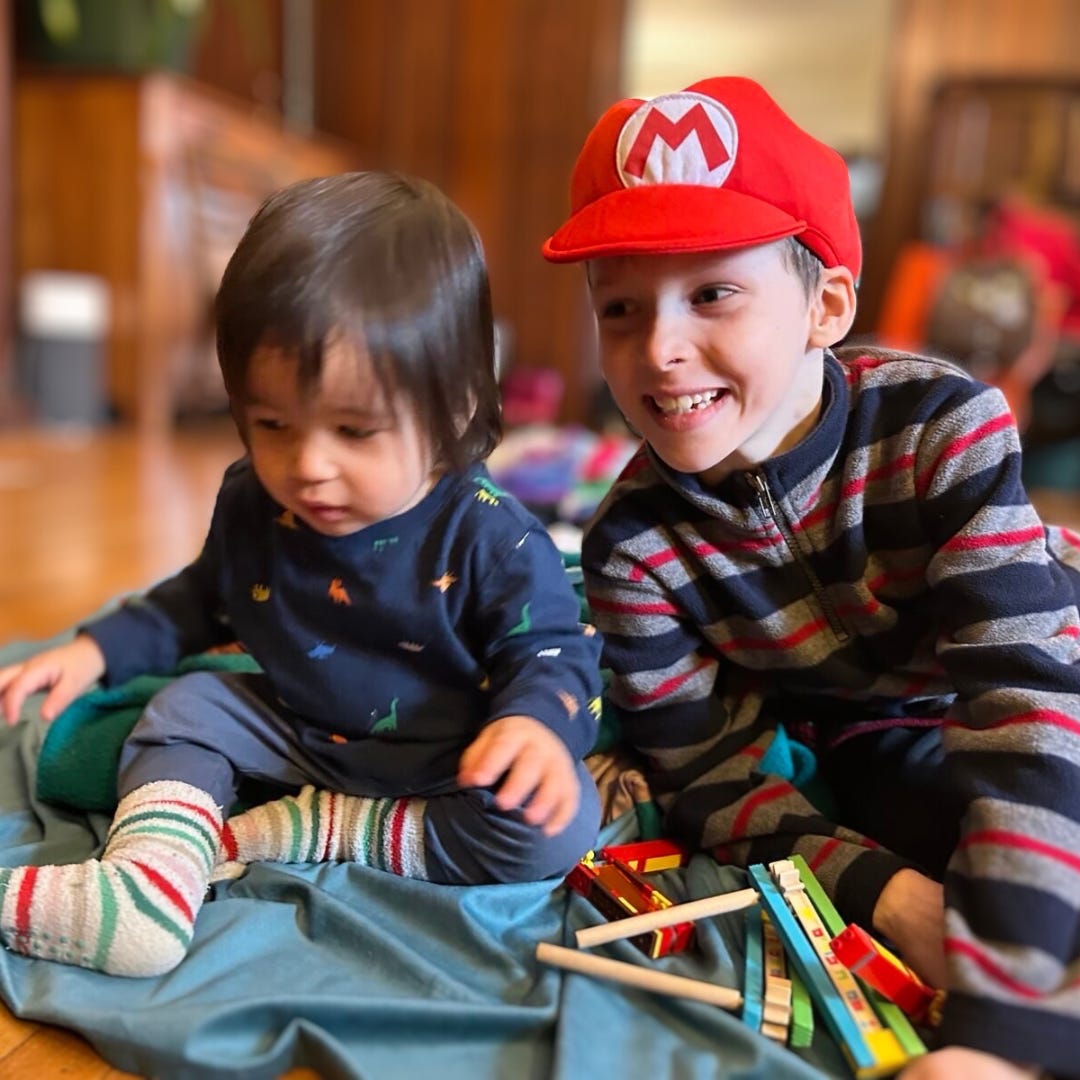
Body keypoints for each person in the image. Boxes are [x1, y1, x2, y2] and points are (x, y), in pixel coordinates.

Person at [542, 75, 1080, 1079]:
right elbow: (713, 776)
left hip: (1042, 662)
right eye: (619, 307)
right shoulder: (631, 547)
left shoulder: (943, 426)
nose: (658, 350)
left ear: (827, 303)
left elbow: (1028, 703)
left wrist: (999, 1028)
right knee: (944, 834)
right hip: (881, 730)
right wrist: (885, 895)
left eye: (712, 294)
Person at [0, 171, 603, 978]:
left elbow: (557, 654)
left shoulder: (493, 537)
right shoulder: (255, 500)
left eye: (354, 430)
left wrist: (533, 729)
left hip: (445, 759)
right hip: (294, 728)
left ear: (458, 404)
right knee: (185, 704)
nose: (308, 466)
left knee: (557, 829)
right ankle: (144, 889)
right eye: (273, 424)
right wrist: (96, 650)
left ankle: (312, 829)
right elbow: (194, 603)